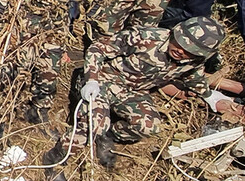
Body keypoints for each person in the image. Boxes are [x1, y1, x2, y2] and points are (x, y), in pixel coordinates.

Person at [75, 17, 225, 167]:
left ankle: (106, 138)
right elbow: (98, 49)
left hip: (135, 92)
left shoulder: (194, 61)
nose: (181, 51)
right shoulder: (146, 37)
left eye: (189, 51)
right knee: (95, 125)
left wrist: (208, 95)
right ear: (175, 33)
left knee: (149, 126)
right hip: (103, 81)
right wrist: (92, 80)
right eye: (180, 43)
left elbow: (194, 78)